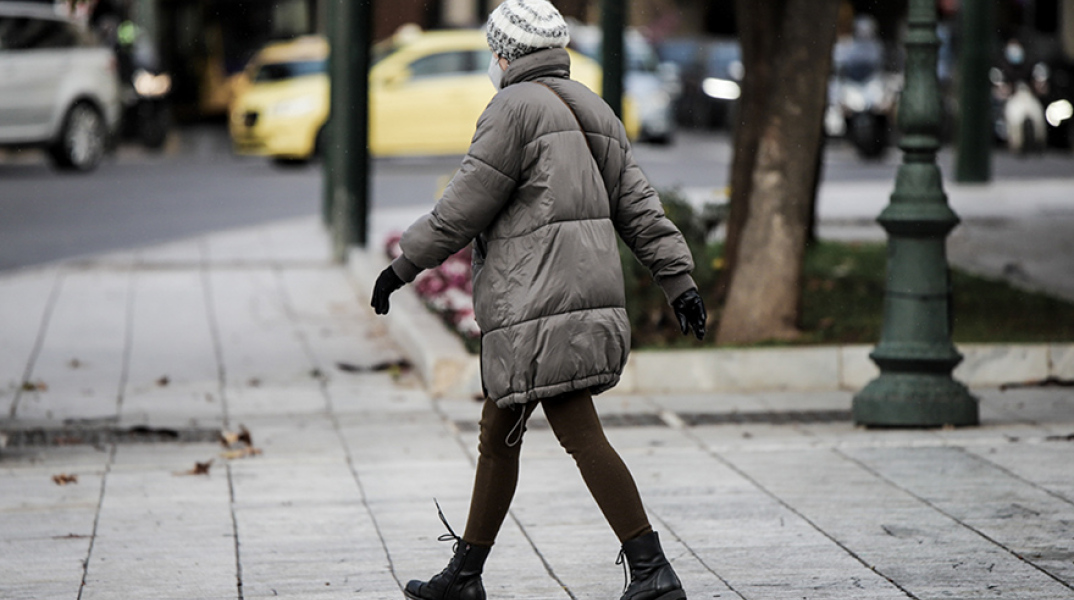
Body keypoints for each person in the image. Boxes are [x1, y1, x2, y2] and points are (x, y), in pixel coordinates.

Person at [370, 1, 706, 599]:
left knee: (576, 432)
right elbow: (639, 205)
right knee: (499, 431)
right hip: (572, 297)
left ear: (505, 53)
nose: (490, 61)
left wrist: (402, 267)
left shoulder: (512, 108)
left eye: (493, 51)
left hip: (539, 304)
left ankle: (653, 570)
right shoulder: (593, 108)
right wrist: (678, 280)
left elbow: (464, 205)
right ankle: (465, 576)